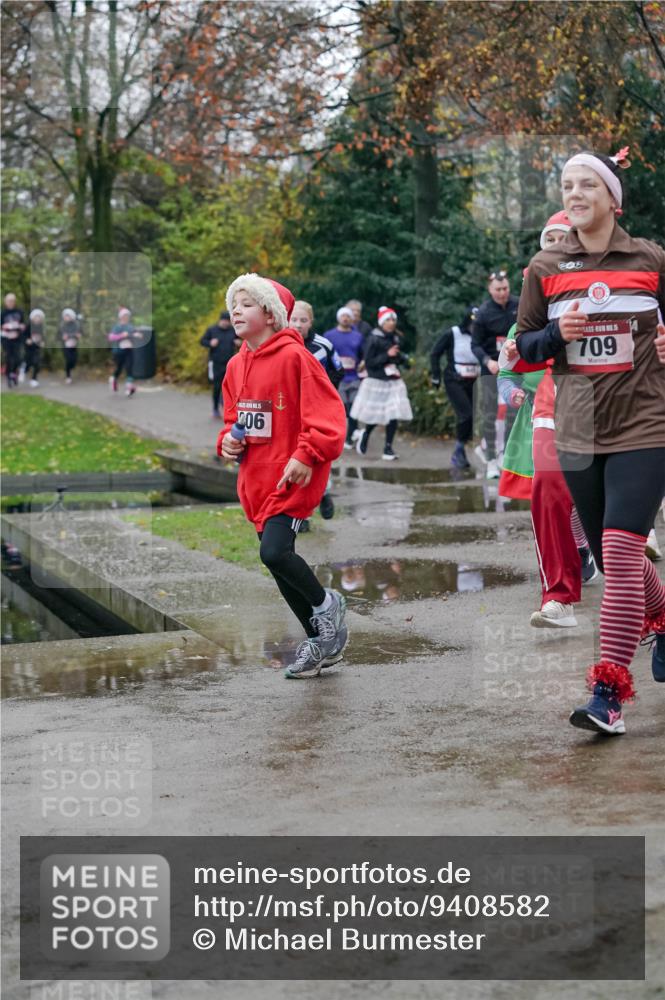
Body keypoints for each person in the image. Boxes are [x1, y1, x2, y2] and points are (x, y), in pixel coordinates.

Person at [515, 146, 665, 736]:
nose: (574, 195)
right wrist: (556, 332)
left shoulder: (651, 259)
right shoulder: (544, 268)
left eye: (586, 185)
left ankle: (608, 693)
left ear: (612, 198)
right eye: (566, 186)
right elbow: (524, 347)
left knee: (624, 551)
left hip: (645, 425)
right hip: (577, 429)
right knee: (612, 557)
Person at [217, 273, 348, 679]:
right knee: (276, 562)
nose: (236, 310)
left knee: (274, 552)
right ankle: (321, 642)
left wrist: (307, 455)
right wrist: (226, 442)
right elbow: (233, 421)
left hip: (292, 479)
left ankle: (327, 606)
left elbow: (327, 416)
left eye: (246, 303)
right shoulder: (236, 365)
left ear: (271, 315)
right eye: (233, 303)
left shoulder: (296, 358)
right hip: (254, 481)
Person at [290, 299, 344, 523]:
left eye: (303, 320)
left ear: (311, 322)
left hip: (317, 411)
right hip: (290, 411)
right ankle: (300, 516)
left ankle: (323, 492)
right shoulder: (279, 343)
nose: (298, 324)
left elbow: (338, 371)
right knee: (293, 456)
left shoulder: (324, 345)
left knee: (315, 455)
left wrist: (323, 395)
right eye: (294, 319)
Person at [471, 271, 520, 478]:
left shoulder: (519, 305)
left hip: (515, 367)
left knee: (513, 412)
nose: (503, 293)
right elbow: (475, 345)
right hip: (491, 368)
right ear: (490, 290)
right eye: (498, 290)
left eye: (506, 289)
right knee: (490, 414)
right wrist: (488, 361)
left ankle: (505, 455)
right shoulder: (483, 313)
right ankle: (490, 458)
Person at [352, 307, 413, 460]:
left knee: (394, 414)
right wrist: (387, 354)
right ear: (381, 322)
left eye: (393, 320)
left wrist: (402, 360)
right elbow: (369, 362)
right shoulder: (373, 338)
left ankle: (388, 449)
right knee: (377, 416)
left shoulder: (396, 337)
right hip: (376, 381)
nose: (391, 323)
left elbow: (395, 358)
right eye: (388, 320)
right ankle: (366, 433)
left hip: (393, 380)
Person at [430, 307, 480, 469]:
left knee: (472, 416)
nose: (474, 327)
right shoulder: (453, 333)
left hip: (474, 380)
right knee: (465, 414)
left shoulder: (482, 334)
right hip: (454, 379)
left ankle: (461, 449)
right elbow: (435, 353)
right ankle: (458, 450)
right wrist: (435, 375)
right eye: (472, 324)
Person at [324, 306, 365, 448]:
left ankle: (350, 436)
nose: (346, 318)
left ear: (352, 319)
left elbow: (363, 353)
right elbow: (326, 354)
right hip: (338, 377)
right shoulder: (329, 335)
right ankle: (343, 435)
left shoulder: (358, 336)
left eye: (348, 316)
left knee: (354, 406)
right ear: (338, 318)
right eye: (343, 316)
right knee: (342, 407)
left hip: (354, 376)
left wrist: (363, 363)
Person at [200, 310, 239, 418]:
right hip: (215, 363)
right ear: (220, 320)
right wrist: (210, 343)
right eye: (224, 321)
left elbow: (242, 340)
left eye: (228, 321)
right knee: (217, 387)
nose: (226, 323)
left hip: (229, 364)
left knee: (229, 387)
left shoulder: (233, 331)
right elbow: (202, 341)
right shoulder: (212, 330)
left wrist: (238, 343)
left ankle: (226, 408)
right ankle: (215, 408)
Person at [108, 307, 141, 396]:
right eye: (124, 316)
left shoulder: (130, 326)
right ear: (120, 317)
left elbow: (134, 333)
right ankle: (114, 379)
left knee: (129, 368)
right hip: (118, 351)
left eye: (127, 316)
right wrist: (121, 335)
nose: (126, 317)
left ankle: (129, 388)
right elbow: (111, 337)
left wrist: (137, 335)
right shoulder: (117, 327)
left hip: (129, 350)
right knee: (119, 368)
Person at [1, 293, 25, 388]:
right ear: (5, 302)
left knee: (17, 358)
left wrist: (19, 327)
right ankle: (8, 377)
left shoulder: (19, 312)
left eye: (12, 301)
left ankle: (14, 374)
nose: (11, 302)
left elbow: (23, 325)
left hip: (17, 339)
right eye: (9, 301)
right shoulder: (2, 313)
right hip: (6, 339)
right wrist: (7, 328)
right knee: (9, 358)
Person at [59, 308, 82, 383]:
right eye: (65, 316)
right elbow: (57, 336)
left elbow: (82, 333)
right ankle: (68, 376)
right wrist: (62, 337)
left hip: (74, 345)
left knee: (74, 360)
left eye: (68, 316)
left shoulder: (76, 325)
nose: (66, 318)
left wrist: (79, 335)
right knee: (68, 360)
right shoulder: (62, 325)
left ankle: (70, 370)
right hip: (65, 346)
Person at [24, 308, 46, 386]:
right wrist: (27, 340)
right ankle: (23, 370)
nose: (37, 319)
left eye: (39, 317)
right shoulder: (28, 326)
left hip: (37, 348)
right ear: (32, 318)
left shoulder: (41, 327)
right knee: (29, 362)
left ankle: (34, 379)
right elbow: (23, 335)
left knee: (36, 363)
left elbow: (43, 337)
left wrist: (43, 342)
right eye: (36, 317)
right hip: (29, 348)